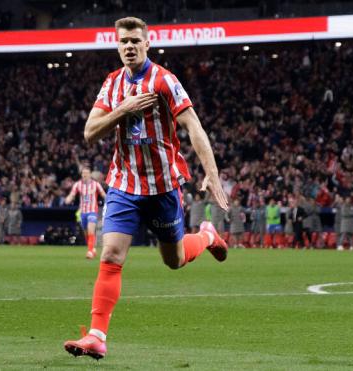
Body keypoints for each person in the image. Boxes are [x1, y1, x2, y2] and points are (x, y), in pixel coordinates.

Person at [64, 16, 229, 360]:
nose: (129, 47)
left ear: (147, 44)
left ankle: (208, 236)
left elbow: (193, 126)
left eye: (135, 41)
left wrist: (211, 173)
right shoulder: (112, 85)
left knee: (175, 260)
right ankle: (96, 335)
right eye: (123, 41)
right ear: (117, 45)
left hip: (163, 187)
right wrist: (122, 110)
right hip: (124, 185)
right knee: (111, 254)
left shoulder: (165, 81)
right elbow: (90, 131)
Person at [65, 167, 106, 259]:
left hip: (92, 211)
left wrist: (109, 200)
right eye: (83, 173)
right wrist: (68, 199)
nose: (85, 175)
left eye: (86, 173)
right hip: (83, 212)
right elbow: (72, 194)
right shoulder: (78, 185)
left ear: (90, 174)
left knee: (91, 230)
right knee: (86, 233)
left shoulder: (96, 184)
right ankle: (92, 249)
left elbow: (103, 194)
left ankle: (90, 252)